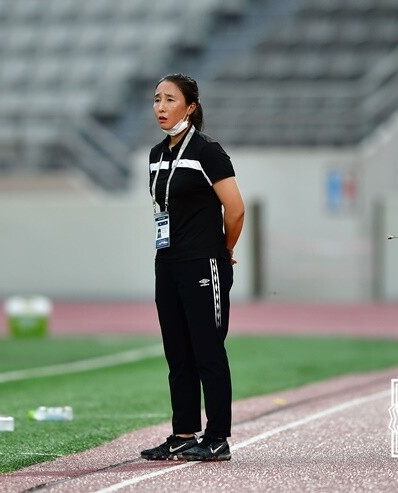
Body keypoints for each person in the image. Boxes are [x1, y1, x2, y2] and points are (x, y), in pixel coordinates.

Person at [140, 74, 245, 462]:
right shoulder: (156, 155)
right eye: (156, 100)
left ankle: (217, 437)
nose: (160, 108)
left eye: (169, 100)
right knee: (177, 354)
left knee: (207, 351)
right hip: (167, 265)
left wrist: (224, 250)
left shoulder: (207, 151)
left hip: (203, 264)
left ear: (190, 107)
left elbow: (235, 209)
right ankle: (184, 433)